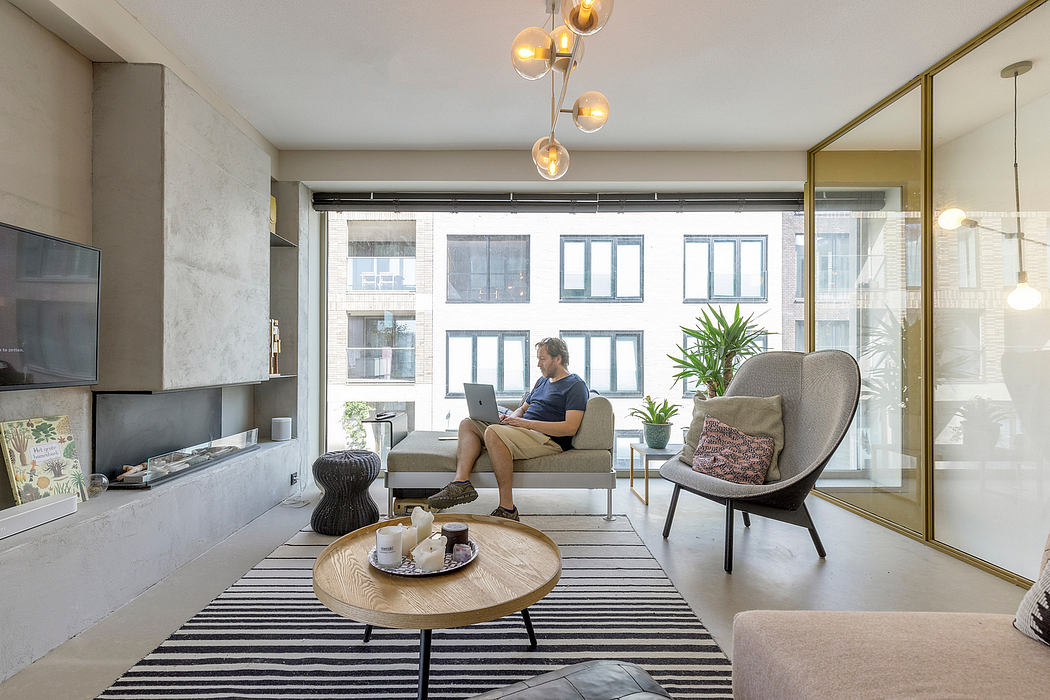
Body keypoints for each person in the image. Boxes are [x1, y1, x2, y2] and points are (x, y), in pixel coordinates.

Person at [427, 337, 589, 521]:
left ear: (558, 359)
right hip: (523, 431)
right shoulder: (543, 382)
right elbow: (524, 408)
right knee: (468, 423)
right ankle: (461, 483)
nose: (538, 364)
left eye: (543, 359)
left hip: (547, 439)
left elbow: (570, 428)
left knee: (493, 432)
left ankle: (508, 509)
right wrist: (513, 417)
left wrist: (525, 424)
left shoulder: (575, 386)